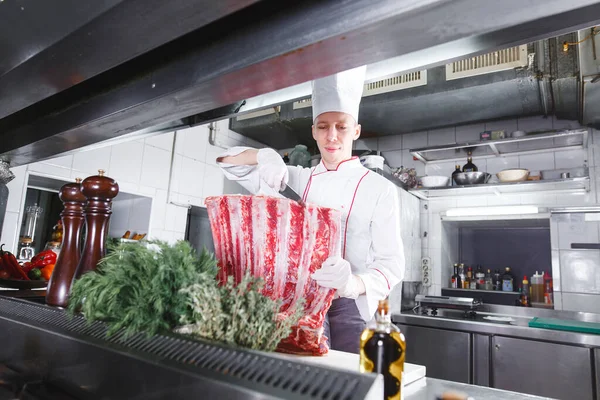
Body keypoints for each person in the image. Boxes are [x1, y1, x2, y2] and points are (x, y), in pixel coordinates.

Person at [216, 66, 405, 354]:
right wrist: (264, 156)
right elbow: (226, 161)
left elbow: (392, 265)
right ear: (313, 131)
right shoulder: (294, 178)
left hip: (352, 308)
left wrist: (353, 283)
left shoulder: (379, 189)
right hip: (296, 301)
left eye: (341, 127)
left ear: (355, 131)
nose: (332, 136)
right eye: (323, 126)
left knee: (350, 384)